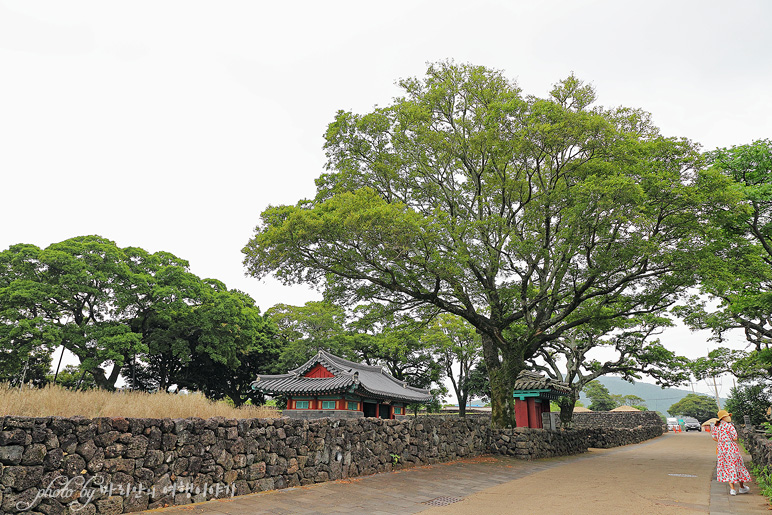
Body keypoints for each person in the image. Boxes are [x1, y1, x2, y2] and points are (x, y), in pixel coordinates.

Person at [712, 409, 751, 495]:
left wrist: (722, 441)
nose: (729, 417)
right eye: (727, 416)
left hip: (722, 448)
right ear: (724, 417)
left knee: (727, 467)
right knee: (737, 465)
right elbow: (735, 438)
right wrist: (728, 440)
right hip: (731, 447)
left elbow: (714, 437)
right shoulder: (730, 426)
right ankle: (741, 487)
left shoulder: (716, 426)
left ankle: (732, 489)